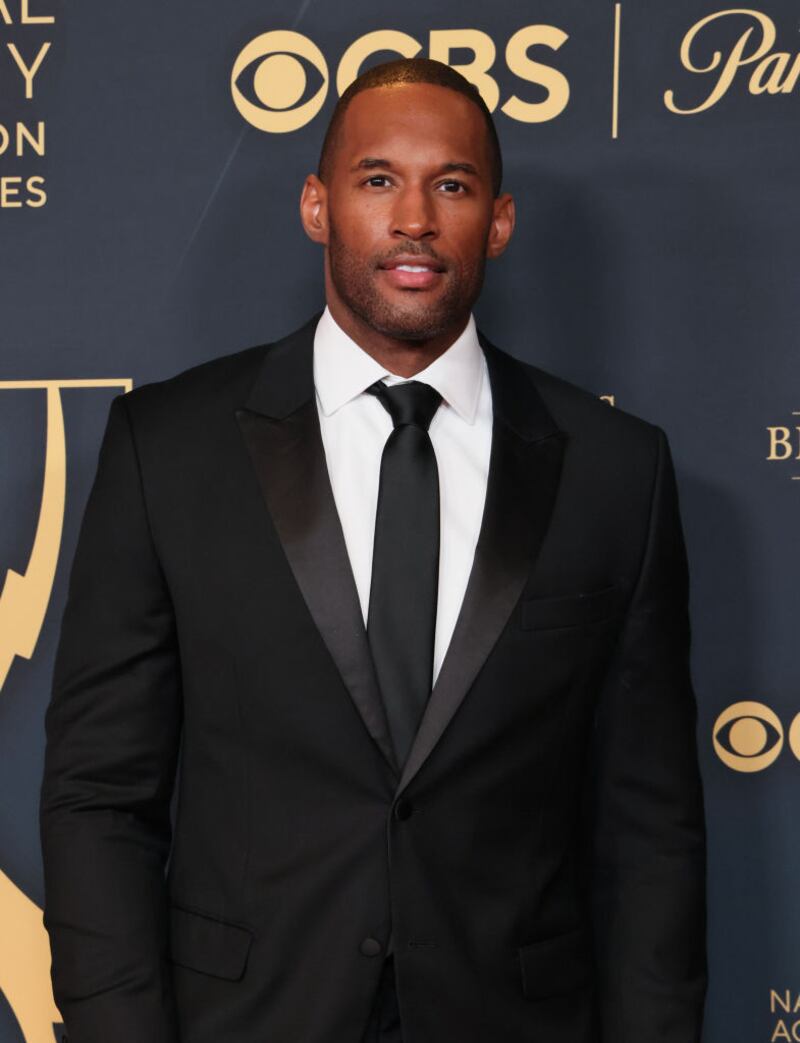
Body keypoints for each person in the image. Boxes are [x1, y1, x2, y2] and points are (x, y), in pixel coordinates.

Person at [39, 57, 707, 1043]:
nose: (414, 220)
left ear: (498, 220)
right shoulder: (168, 449)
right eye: (376, 179)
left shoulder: (616, 470)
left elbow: (648, 832)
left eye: (451, 185)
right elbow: (100, 792)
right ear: (316, 205)